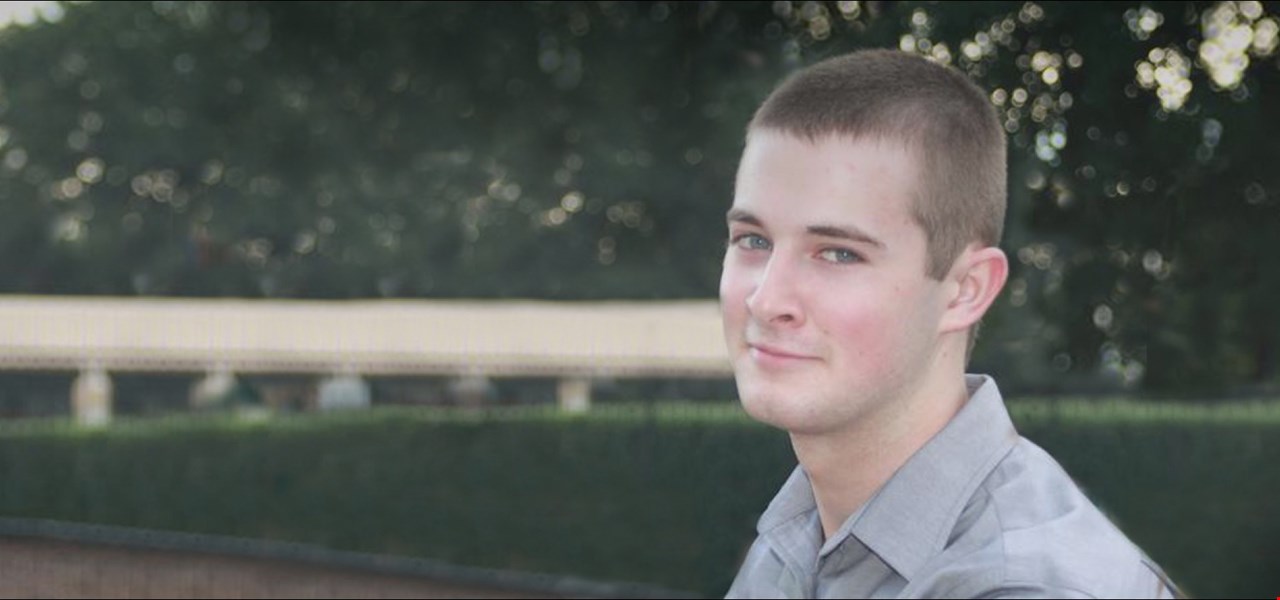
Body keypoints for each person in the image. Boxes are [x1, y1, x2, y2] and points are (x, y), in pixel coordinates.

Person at [719, 49, 1179, 599]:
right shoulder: (792, 542)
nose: (766, 299)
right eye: (753, 240)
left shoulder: (1031, 586)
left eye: (838, 253)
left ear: (967, 290)